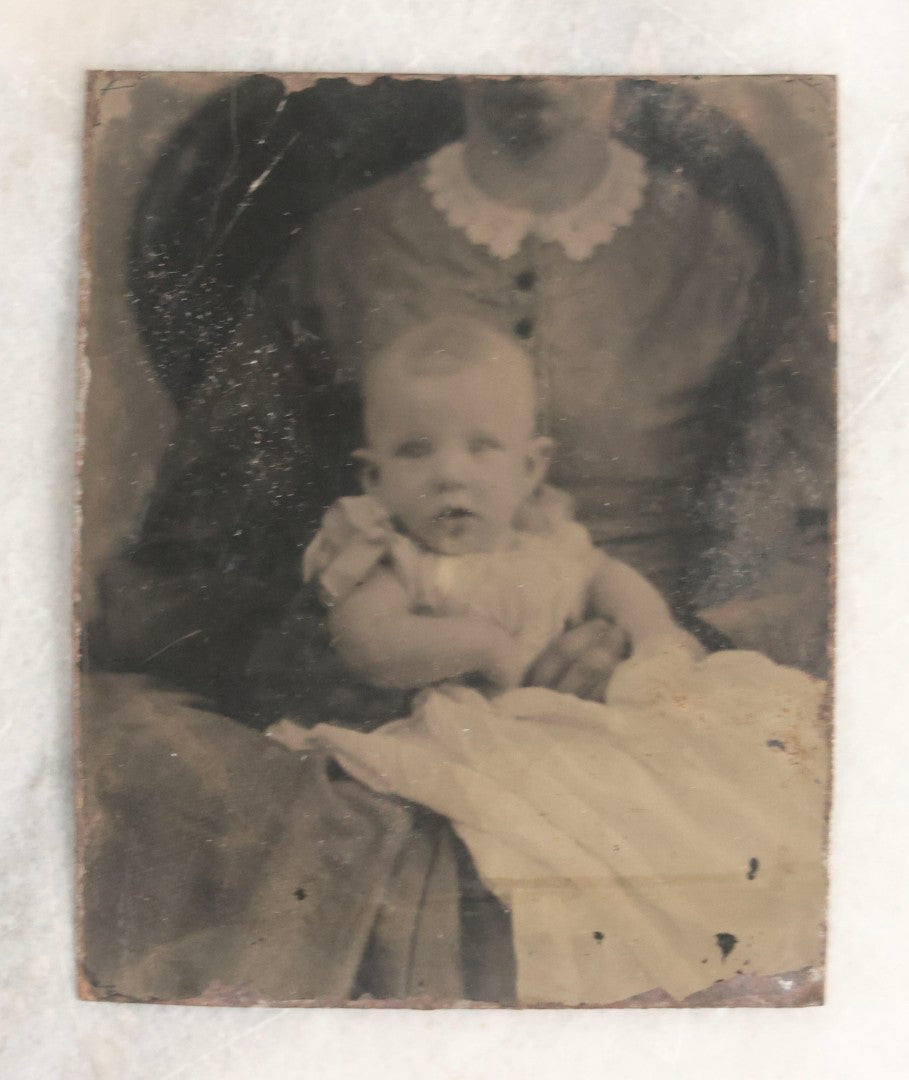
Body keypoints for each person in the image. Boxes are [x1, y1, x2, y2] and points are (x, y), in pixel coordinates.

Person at [286, 315, 827, 1005]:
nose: (451, 474)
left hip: (583, 717)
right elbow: (366, 639)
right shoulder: (404, 564)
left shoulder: (552, 544)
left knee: (694, 785)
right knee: (549, 826)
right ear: (375, 476)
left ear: (530, 467)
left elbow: (614, 583)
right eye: (416, 451)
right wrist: (481, 645)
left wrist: (657, 637)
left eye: (482, 447)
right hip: (482, 728)